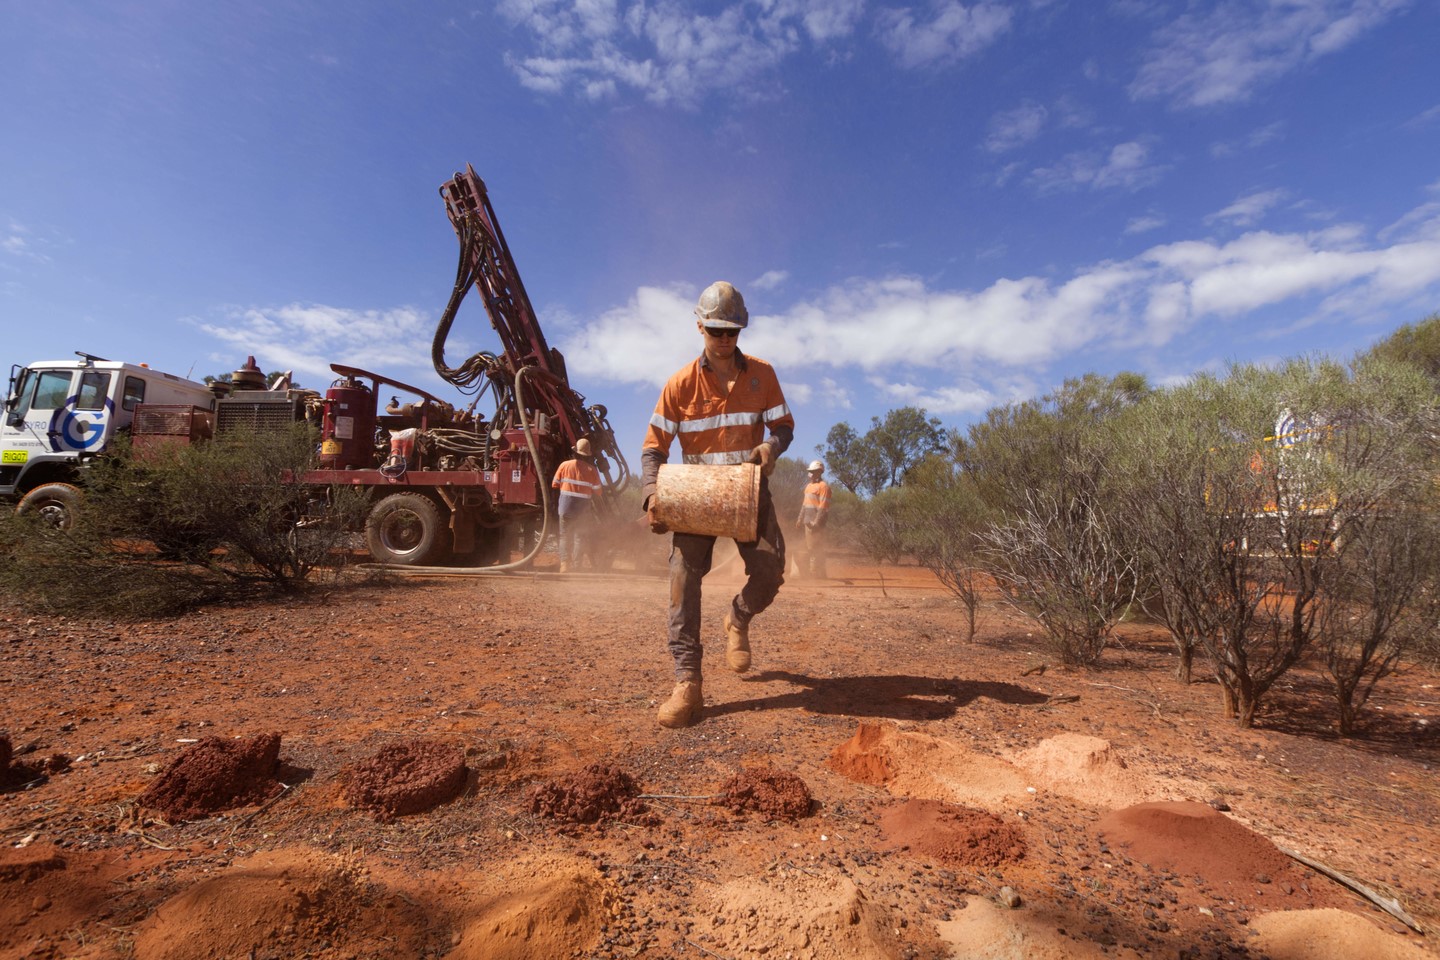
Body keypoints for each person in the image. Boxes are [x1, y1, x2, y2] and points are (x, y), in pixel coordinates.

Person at [641, 281, 794, 728]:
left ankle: (738, 618)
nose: (725, 339)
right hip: (697, 496)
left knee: (770, 571)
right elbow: (654, 448)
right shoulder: (680, 384)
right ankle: (687, 682)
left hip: (747, 489)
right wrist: (653, 494)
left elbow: (783, 427)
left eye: (732, 331)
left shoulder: (762, 375)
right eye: (716, 331)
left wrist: (771, 447)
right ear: (700, 328)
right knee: (682, 578)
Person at [551, 438, 602, 572]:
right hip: (582, 511)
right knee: (579, 537)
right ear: (588, 454)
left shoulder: (564, 465)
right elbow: (598, 491)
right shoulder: (592, 470)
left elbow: (554, 484)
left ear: (575, 452)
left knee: (564, 536)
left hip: (565, 508)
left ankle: (564, 565)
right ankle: (576, 565)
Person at [794, 460, 832, 578]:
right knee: (811, 547)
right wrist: (800, 519)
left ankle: (815, 573)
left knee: (815, 547)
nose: (810, 473)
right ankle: (819, 573)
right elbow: (805, 505)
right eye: (810, 471)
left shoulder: (824, 487)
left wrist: (816, 522)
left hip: (817, 523)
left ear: (819, 472)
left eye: (813, 471)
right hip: (807, 522)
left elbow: (823, 507)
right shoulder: (808, 487)